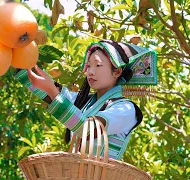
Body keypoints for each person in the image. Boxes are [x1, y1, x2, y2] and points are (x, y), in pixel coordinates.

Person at [14, 40, 157, 160]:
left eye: (98, 65)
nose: (90, 71)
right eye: (89, 66)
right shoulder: (85, 103)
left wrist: (52, 91)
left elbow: (87, 130)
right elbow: (51, 92)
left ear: (117, 71)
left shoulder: (125, 109)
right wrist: (16, 59)